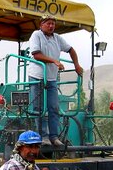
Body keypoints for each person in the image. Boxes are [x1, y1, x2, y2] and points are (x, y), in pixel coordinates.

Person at [28, 14, 84, 146]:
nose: (51, 26)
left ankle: (54, 137)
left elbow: (71, 50)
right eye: (48, 23)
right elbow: (36, 55)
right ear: (41, 24)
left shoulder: (57, 38)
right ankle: (43, 136)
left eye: (53, 23)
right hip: (37, 76)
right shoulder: (36, 35)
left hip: (51, 78)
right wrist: (54, 61)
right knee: (38, 108)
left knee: (54, 107)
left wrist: (76, 65)